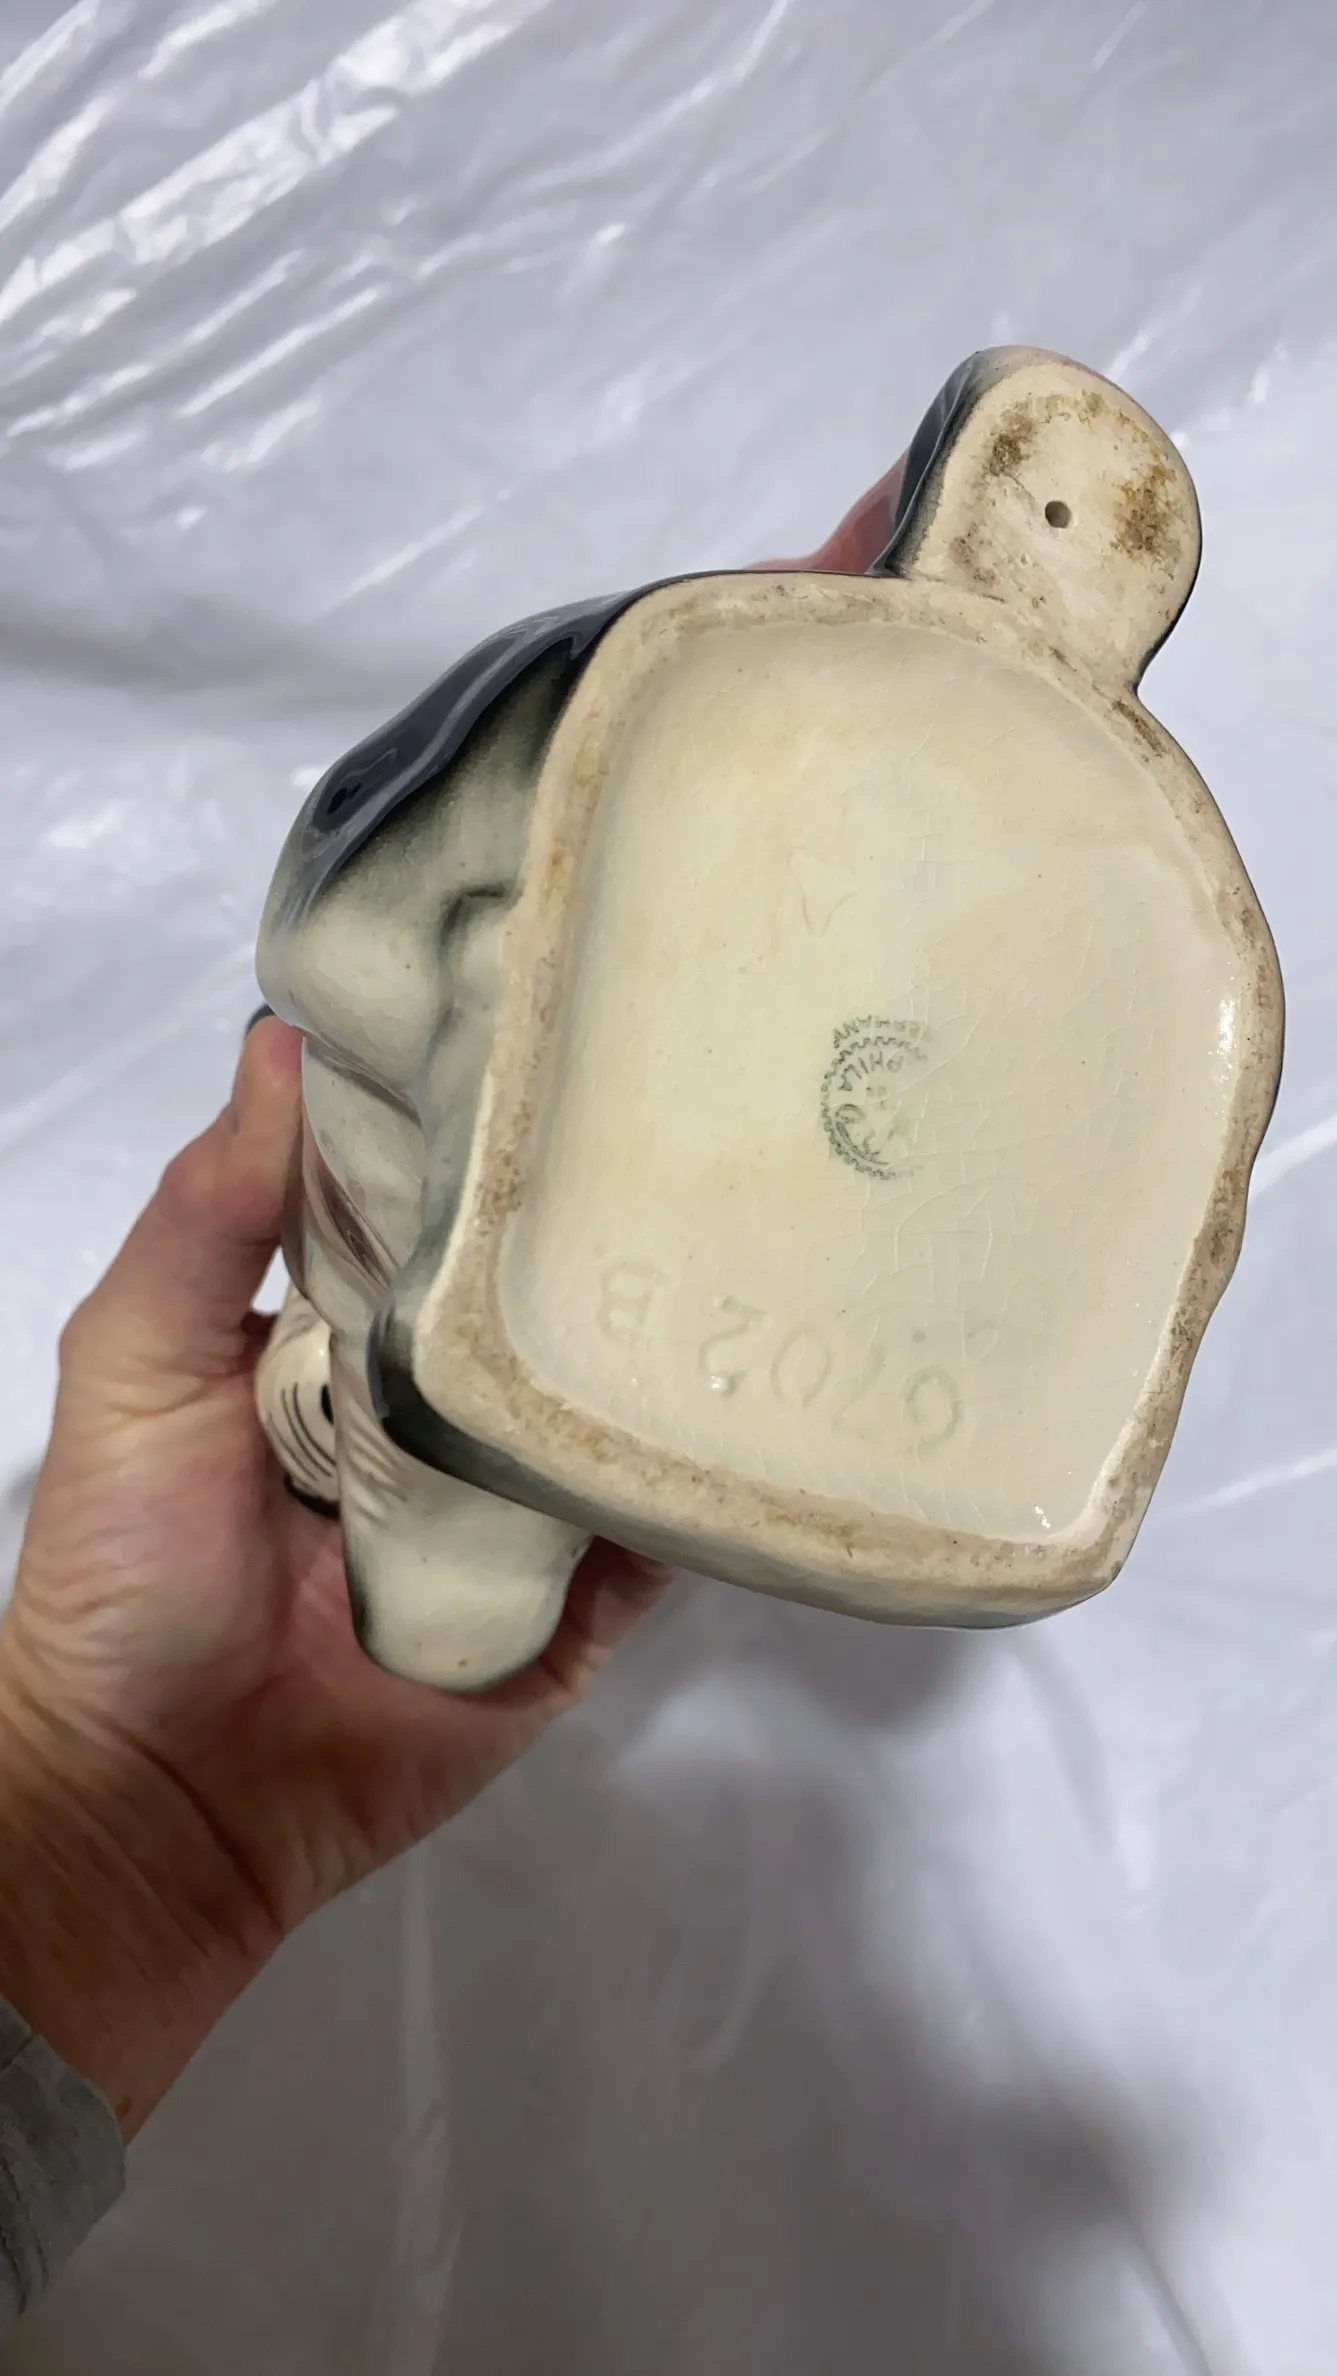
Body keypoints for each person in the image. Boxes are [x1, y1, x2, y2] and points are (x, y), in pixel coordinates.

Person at [0, 460, 904, 2329]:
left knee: (482, 1532)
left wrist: (122, 1832)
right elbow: (343, 952)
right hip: (442, 1231)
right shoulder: (434, 913)